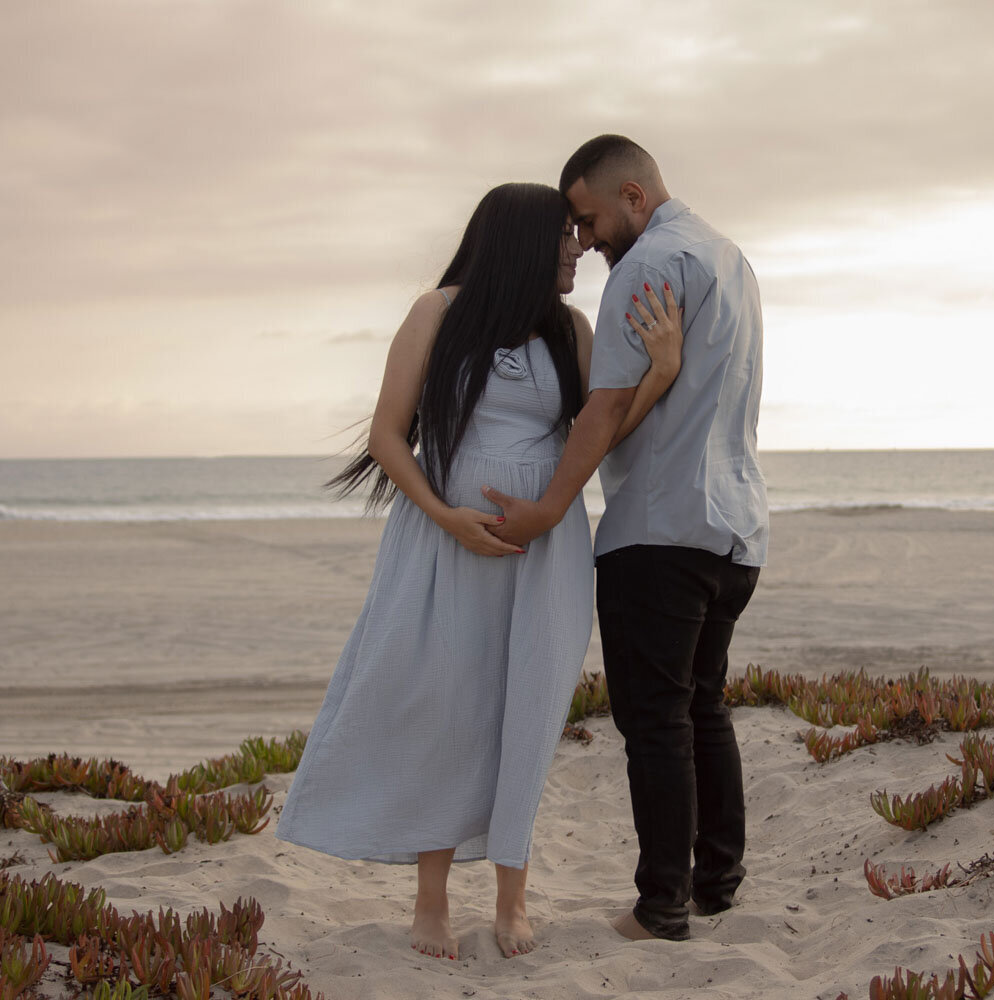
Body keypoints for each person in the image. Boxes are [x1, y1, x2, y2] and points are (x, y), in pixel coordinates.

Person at [274, 181, 682, 961]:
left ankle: (512, 896)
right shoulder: (438, 313)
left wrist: (658, 374)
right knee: (445, 708)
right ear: (522, 241)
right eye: (565, 234)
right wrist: (444, 515)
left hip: (545, 553)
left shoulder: (572, 329)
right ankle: (431, 902)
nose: (578, 248)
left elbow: (599, 432)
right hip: (441, 546)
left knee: (527, 709)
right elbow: (389, 436)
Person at [485, 136, 768, 942]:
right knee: (701, 706)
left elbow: (603, 410)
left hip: (660, 529)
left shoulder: (646, 269)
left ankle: (662, 907)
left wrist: (545, 508)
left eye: (590, 217)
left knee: (655, 723)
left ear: (634, 196)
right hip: (736, 529)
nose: (585, 239)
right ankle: (717, 881)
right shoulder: (731, 259)